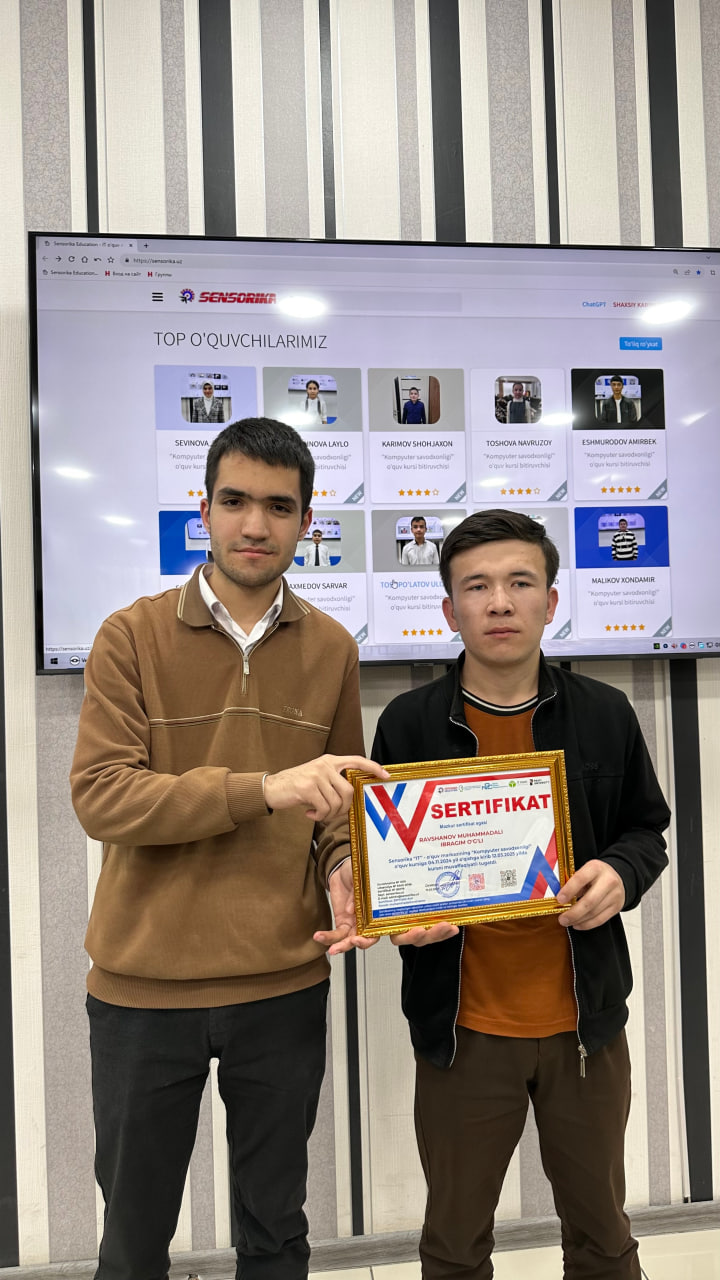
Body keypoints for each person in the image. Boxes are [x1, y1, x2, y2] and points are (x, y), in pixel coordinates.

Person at [70, 417, 386, 1280]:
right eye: (236, 501)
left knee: (276, 1233)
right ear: (202, 509)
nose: (255, 524)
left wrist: (345, 866)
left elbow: (337, 803)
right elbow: (103, 797)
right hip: (143, 988)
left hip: (283, 984)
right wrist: (263, 788)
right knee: (133, 1242)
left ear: (307, 520)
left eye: (279, 507)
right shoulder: (129, 635)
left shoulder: (332, 647)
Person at [372, 508, 670, 1280]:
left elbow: (646, 831)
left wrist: (620, 874)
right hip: (462, 1028)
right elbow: (386, 864)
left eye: (519, 582)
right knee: (453, 1246)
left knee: (604, 1239)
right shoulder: (409, 724)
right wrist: (402, 915)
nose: (499, 602)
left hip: (585, 1025)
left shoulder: (603, 713)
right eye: (476, 587)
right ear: (449, 610)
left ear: (551, 600)